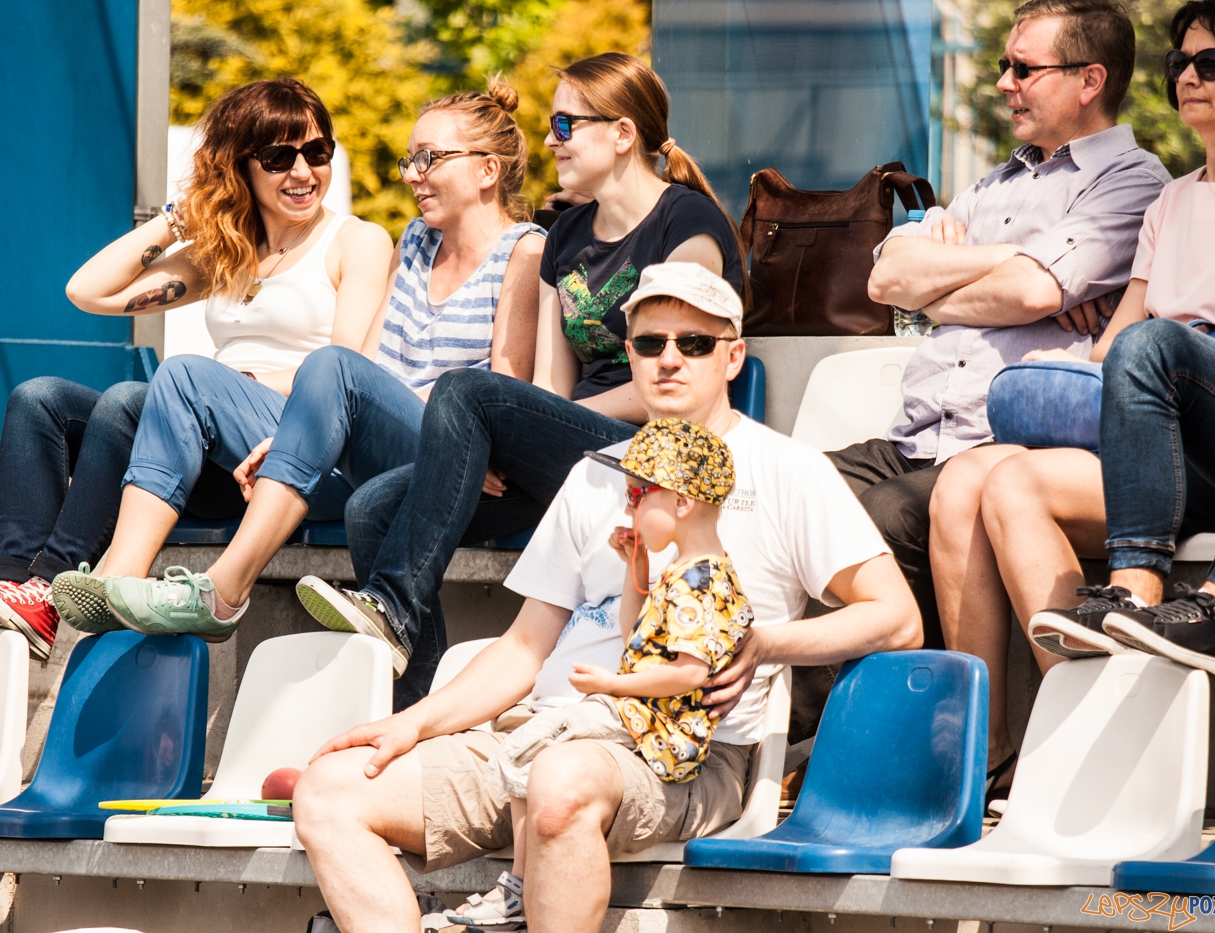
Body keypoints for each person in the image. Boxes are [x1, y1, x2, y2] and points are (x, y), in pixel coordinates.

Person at [289, 261, 922, 933]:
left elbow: (896, 618)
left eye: (695, 342)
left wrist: (767, 642)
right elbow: (524, 647)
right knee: (329, 789)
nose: (670, 359)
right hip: (542, 729)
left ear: (733, 356)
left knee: (559, 783)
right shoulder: (594, 476)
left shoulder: (788, 469)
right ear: (629, 356)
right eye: (651, 343)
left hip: (678, 755)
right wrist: (414, 722)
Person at [294, 52, 747, 705]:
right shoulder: (566, 236)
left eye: (566, 124)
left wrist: (520, 422)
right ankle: (416, 710)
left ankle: (391, 604)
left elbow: (687, 376)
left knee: (465, 389)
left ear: (622, 134)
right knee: (372, 508)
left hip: (651, 448)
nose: (549, 139)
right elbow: (545, 387)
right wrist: (512, 433)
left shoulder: (688, 224)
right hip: (570, 453)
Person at [51, 79, 545, 650]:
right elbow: (372, 364)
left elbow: (505, 393)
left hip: (454, 454)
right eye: (412, 159)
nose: (411, 173)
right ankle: (106, 582)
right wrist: (296, 436)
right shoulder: (416, 242)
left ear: (488, 171)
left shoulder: (525, 252)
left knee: (273, 368)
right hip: (377, 448)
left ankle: (221, 588)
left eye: (428, 159)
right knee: (140, 382)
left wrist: (457, 440)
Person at [0, 77, 391, 660]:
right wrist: (174, 220)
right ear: (240, 167)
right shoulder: (227, 252)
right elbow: (88, 291)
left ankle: (51, 589)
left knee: (132, 398)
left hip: (285, 455)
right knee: (39, 399)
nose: (302, 172)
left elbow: (343, 371)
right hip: (199, 439)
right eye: (277, 157)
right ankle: (15, 582)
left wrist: (236, 389)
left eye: (317, 153)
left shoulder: (355, 241)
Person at [852, 0, 1170, 788]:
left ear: (1089, 80)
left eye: (1023, 69)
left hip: (998, 444)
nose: (1003, 85)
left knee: (863, 527)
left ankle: (880, 761)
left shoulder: (1135, 182)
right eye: (1004, 67)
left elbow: (1032, 292)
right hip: (911, 434)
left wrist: (963, 276)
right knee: (769, 496)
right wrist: (1006, 267)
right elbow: (886, 278)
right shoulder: (991, 181)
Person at [945, 0, 1215, 715]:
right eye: (1179, 62)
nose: (1187, 75)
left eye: (1211, 62)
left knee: (1155, 342)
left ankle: (1137, 583)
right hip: (1158, 446)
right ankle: (1079, 734)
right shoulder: (1170, 201)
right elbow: (1108, 345)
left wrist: (1162, 345)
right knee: (1002, 480)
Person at [449, 418, 752, 930]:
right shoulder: (682, 569)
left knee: (536, 741)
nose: (628, 506)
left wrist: (612, 686)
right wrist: (634, 566)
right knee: (532, 745)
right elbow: (636, 633)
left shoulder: (705, 579)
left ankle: (519, 888)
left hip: (663, 734)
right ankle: (521, 885)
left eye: (638, 495)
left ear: (682, 503)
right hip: (641, 719)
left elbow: (687, 674)